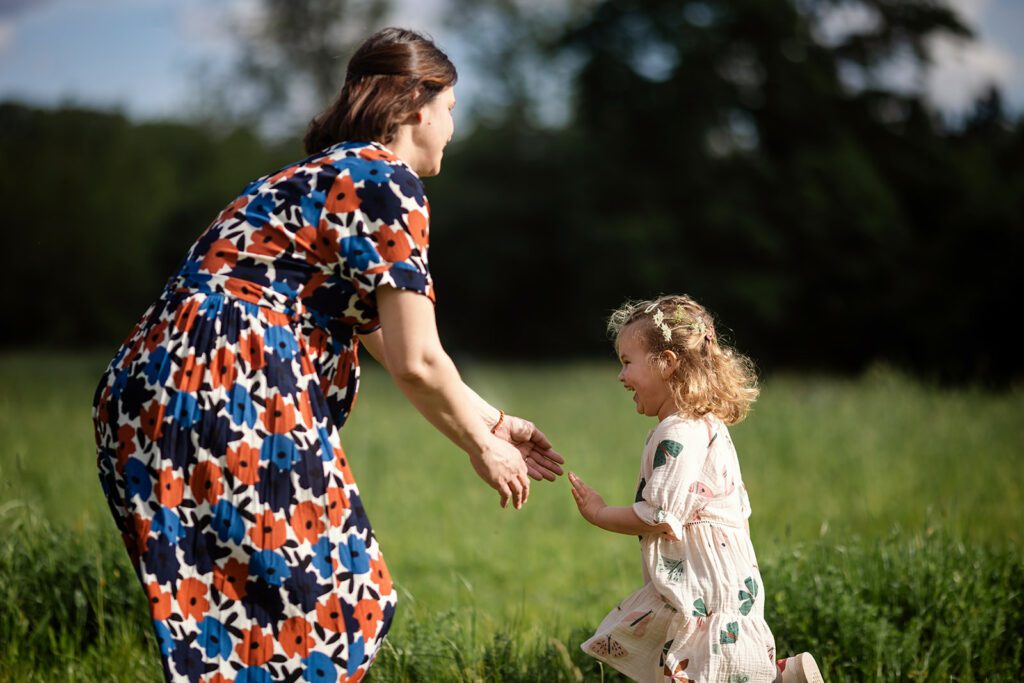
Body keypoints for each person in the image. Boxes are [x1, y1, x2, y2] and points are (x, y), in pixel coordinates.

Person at [91, 27, 564, 683]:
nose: (453, 128)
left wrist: (492, 419)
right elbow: (418, 360)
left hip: (152, 389)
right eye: (451, 108)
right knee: (331, 606)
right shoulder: (387, 180)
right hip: (231, 386)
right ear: (415, 104)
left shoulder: (311, 177)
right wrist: (482, 447)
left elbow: (381, 334)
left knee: (239, 627)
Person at [569, 295, 821, 683]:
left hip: (706, 590)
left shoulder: (679, 431)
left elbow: (659, 514)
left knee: (702, 669)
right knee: (717, 668)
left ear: (666, 363)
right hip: (720, 582)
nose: (621, 376)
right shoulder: (705, 425)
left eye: (627, 362)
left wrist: (599, 513)